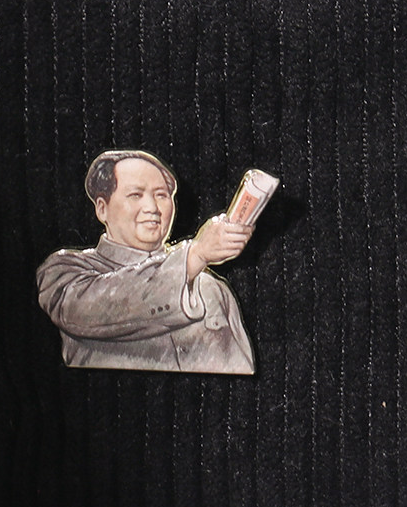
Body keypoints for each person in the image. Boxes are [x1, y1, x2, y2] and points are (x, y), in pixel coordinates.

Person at [36, 150, 256, 373]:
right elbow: (84, 310)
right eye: (135, 195)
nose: (152, 207)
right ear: (102, 208)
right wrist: (194, 255)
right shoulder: (64, 271)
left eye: (161, 195)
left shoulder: (211, 289)